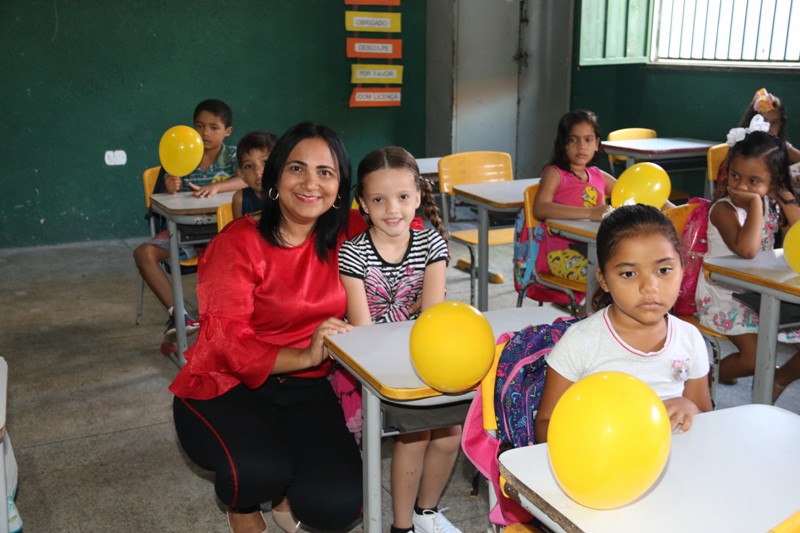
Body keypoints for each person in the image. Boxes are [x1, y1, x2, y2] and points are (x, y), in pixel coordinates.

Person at [170, 122, 363, 533]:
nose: (311, 183)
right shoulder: (237, 243)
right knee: (257, 474)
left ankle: (286, 483)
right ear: (273, 178)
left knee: (337, 507)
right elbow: (227, 345)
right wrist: (308, 354)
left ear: (340, 185)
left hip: (310, 388)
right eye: (297, 168)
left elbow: (409, 237)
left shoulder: (350, 231)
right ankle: (243, 505)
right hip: (227, 386)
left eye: (325, 172)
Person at [338, 147, 461, 533]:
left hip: (419, 351)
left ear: (419, 197)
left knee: (450, 434)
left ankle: (427, 513)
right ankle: (402, 526)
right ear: (362, 203)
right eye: (379, 199)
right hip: (370, 361)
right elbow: (363, 332)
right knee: (417, 433)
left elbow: (434, 316)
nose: (393, 209)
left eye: (404, 197)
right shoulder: (352, 254)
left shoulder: (432, 246)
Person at [534, 204, 713, 443]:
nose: (649, 286)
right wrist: (590, 434)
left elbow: (707, 418)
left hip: (674, 465)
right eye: (629, 274)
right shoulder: (581, 342)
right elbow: (544, 428)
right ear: (604, 280)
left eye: (663, 270)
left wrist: (690, 408)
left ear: (682, 269)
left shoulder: (689, 339)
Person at [696, 126, 800, 402]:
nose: (741, 186)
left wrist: (779, 194)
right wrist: (756, 202)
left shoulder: (770, 200)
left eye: (754, 181)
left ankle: (779, 378)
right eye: (736, 176)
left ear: (773, 181)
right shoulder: (723, 209)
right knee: (754, 359)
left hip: (758, 291)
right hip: (724, 295)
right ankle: (704, 376)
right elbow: (747, 249)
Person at [133, 98, 244, 340]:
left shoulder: (236, 156)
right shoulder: (179, 153)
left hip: (225, 235)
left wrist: (219, 187)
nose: (205, 133)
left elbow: (250, 179)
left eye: (213, 127)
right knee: (143, 253)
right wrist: (169, 187)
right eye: (199, 126)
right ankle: (180, 315)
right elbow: (158, 201)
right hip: (186, 235)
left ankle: (237, 320)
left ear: (228, 132)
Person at [532, 110, 616, 286]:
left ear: (596, 144)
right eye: (573, 139)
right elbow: (540, 208)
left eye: (588, 139)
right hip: (562, 254)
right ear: (563, 144)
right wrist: (589, 213)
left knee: (624, 273)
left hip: (595, 250)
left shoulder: (598, 175)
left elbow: (631, 192)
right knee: (606, 280)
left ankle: (584, 313)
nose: (581, 146)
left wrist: (666, 205)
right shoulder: (555, 174)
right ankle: (585, 314)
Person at [717, 88, 800, 195]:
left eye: (775, 122)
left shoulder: (780, 145)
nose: (769, 127)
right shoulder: (743, 147)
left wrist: (790, 175)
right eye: (763, 121)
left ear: (781, 124)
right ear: (752, 121)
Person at [232, 130, 278, 219]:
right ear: (242, 175)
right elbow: (238, 231)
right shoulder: (240, 199)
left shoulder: (287, 195)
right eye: (249, 166)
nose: (257, 171)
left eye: (265, 162)